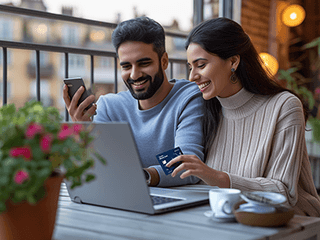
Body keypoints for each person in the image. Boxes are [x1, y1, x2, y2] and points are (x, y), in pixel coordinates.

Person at [167, 17, 320, 216]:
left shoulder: (284, 106)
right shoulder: (205, 109)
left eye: (201, 65)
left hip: (290, 222)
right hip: (228, 218)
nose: (192, 76)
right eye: (190, 67)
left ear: (233, 61)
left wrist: (216, 177)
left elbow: (284, 193)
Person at [63, 16, 204, 187]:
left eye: (144, 63)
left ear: (164, 61)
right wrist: (83, 135)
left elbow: (187, 164)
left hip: (175, 203)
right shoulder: (109, 107)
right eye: (126, 66)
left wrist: (142, 176)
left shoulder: (188, 97)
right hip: (121, 199)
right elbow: (99, 169)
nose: (134, 75)